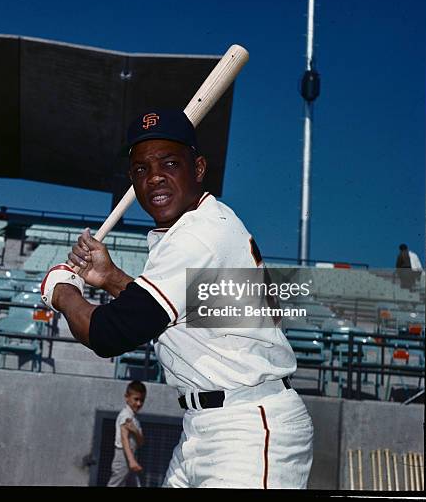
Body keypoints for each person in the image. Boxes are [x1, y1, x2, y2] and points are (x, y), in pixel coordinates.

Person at [40, 109, 313, 488]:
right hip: (207, 427)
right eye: (140, 170)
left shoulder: (197, 236)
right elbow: (174, 318)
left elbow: (110, 334)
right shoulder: (203, 225)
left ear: (198, 168)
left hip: (247, 429)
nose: (153, 178)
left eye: (170, 163)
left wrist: (61, 291)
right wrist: (110, 277)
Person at [107, 380, 146, 487]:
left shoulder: (134, 418)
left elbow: (141, 441)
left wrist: (135, 430)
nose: (139, 403)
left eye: (142, 400)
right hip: (123, 457)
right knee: (115, 484)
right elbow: (124, 440)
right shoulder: (126, 416)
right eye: (136, 399)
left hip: (131, 456)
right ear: (126, 397)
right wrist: (131, 461)